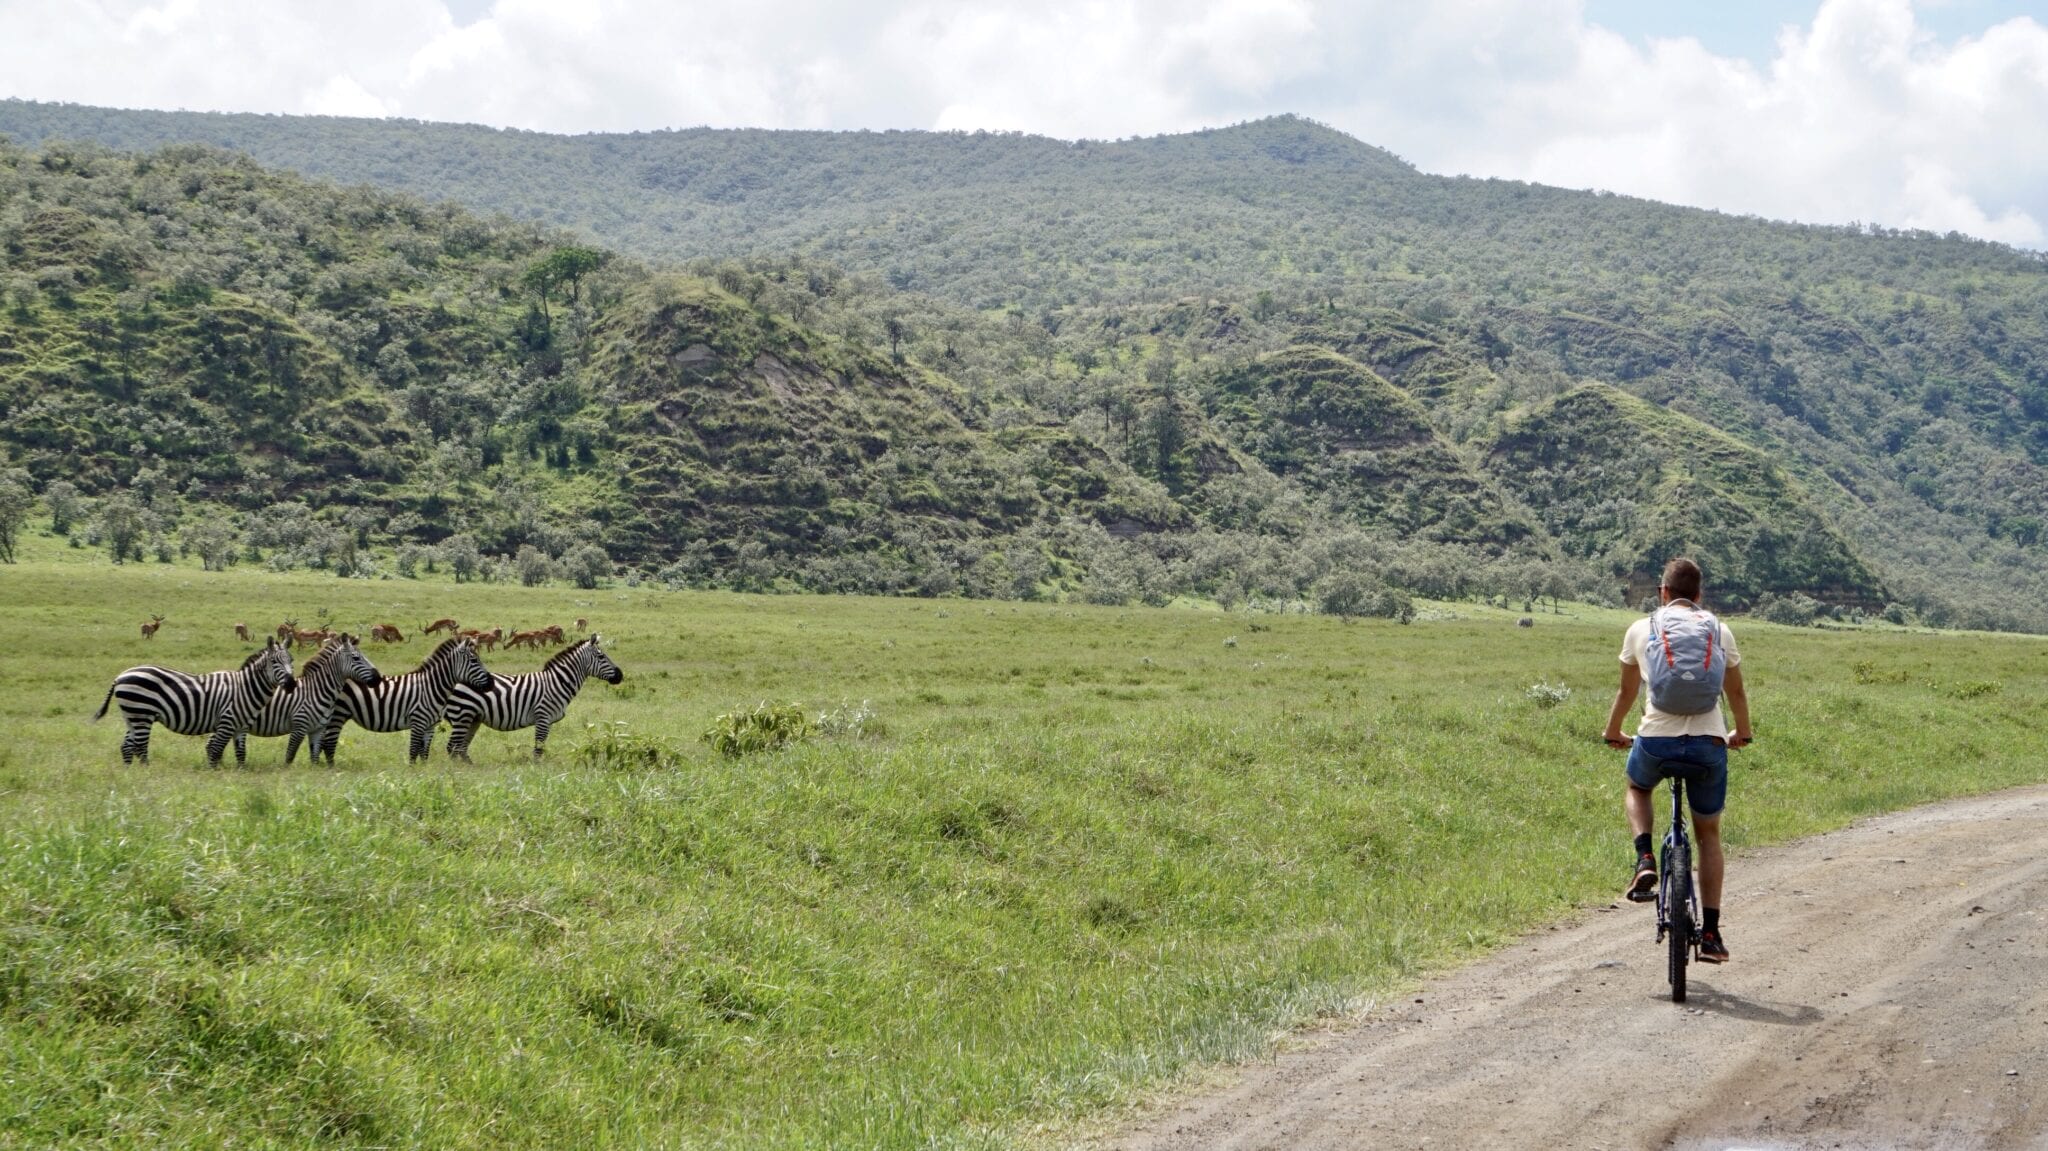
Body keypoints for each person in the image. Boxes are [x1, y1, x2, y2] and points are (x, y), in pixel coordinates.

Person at [1601, 557, 1752, 963]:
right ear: (1699, 596)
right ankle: (1712, 934)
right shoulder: (1719, 629)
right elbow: (1736, 694)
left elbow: (1627, 693)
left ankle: (1645, 857)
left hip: (1656, 741)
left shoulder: (1641, 628)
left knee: (1637, 786)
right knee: (1709, 835)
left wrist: (1613, 731)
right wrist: (1742, 732)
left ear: (1662, 593)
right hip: (1708, 744)